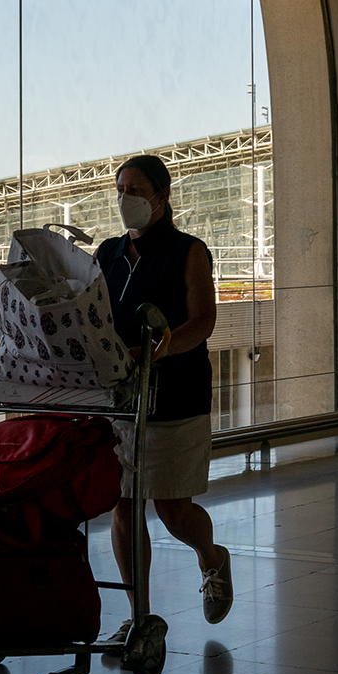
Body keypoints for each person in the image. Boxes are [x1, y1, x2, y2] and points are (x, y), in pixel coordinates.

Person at [98, 154, 232, 634]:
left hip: (175, 395)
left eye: (136, 189)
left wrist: (155, 350)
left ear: (162, 196)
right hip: (120, 400)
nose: (125, 198)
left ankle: (211, 556)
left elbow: (203, 322)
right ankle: (138, 617)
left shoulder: (188, 251)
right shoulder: (107, 254)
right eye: (120, 189)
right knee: (123, 504)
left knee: (172, 510)